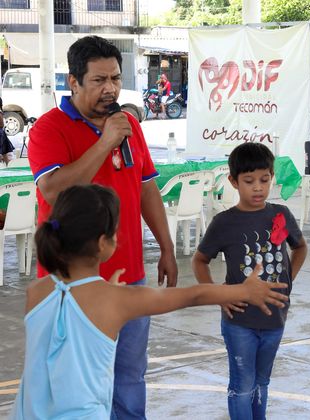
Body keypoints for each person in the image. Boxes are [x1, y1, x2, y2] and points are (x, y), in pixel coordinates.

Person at [11, 184, 289, 419]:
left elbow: (76, 310)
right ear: (102, 243)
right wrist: (244, 291)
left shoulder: (37, 291)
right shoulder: (117, 300)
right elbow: (193, 295)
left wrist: (106, 291)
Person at [26, 35, 178, 419]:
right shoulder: (48, 129)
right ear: (73, 82)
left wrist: (167, 247)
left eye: (115, 78)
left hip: (130, 275)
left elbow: (146, 189)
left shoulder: (128, 126)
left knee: (129, 378)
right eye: (98, 80)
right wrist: (104, 143)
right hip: (70, 282)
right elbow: (52, 189)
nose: (110, 88)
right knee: (73, 382)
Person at [192, 142, 308, 419]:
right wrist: (219, 294)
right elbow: (199, 260)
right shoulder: (224, 223)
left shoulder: (281, 214)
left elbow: (300, 247)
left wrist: (287, 279)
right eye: (249, 181)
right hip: (239, 320)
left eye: (264, 180)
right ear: (233, 182)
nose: (258, 187)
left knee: (261, 383)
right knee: (242, 385)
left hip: (275, 318)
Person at [0, 96, 16, 164]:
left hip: (1, 134)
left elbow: (1, 125)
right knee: (4, 154)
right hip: (1, 134)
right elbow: (2, 125)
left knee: (4, 154)